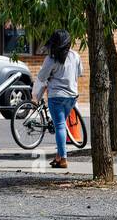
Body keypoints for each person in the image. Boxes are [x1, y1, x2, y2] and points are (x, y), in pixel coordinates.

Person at [32, 29, 81, 170]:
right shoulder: (75, 56)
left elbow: (41, 77)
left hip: (56, 96)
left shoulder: (51, 59)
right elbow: (80, 72)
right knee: (62, 126)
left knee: (59, 126)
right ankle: (59, 157)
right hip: (71, 96)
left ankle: (64, 158)